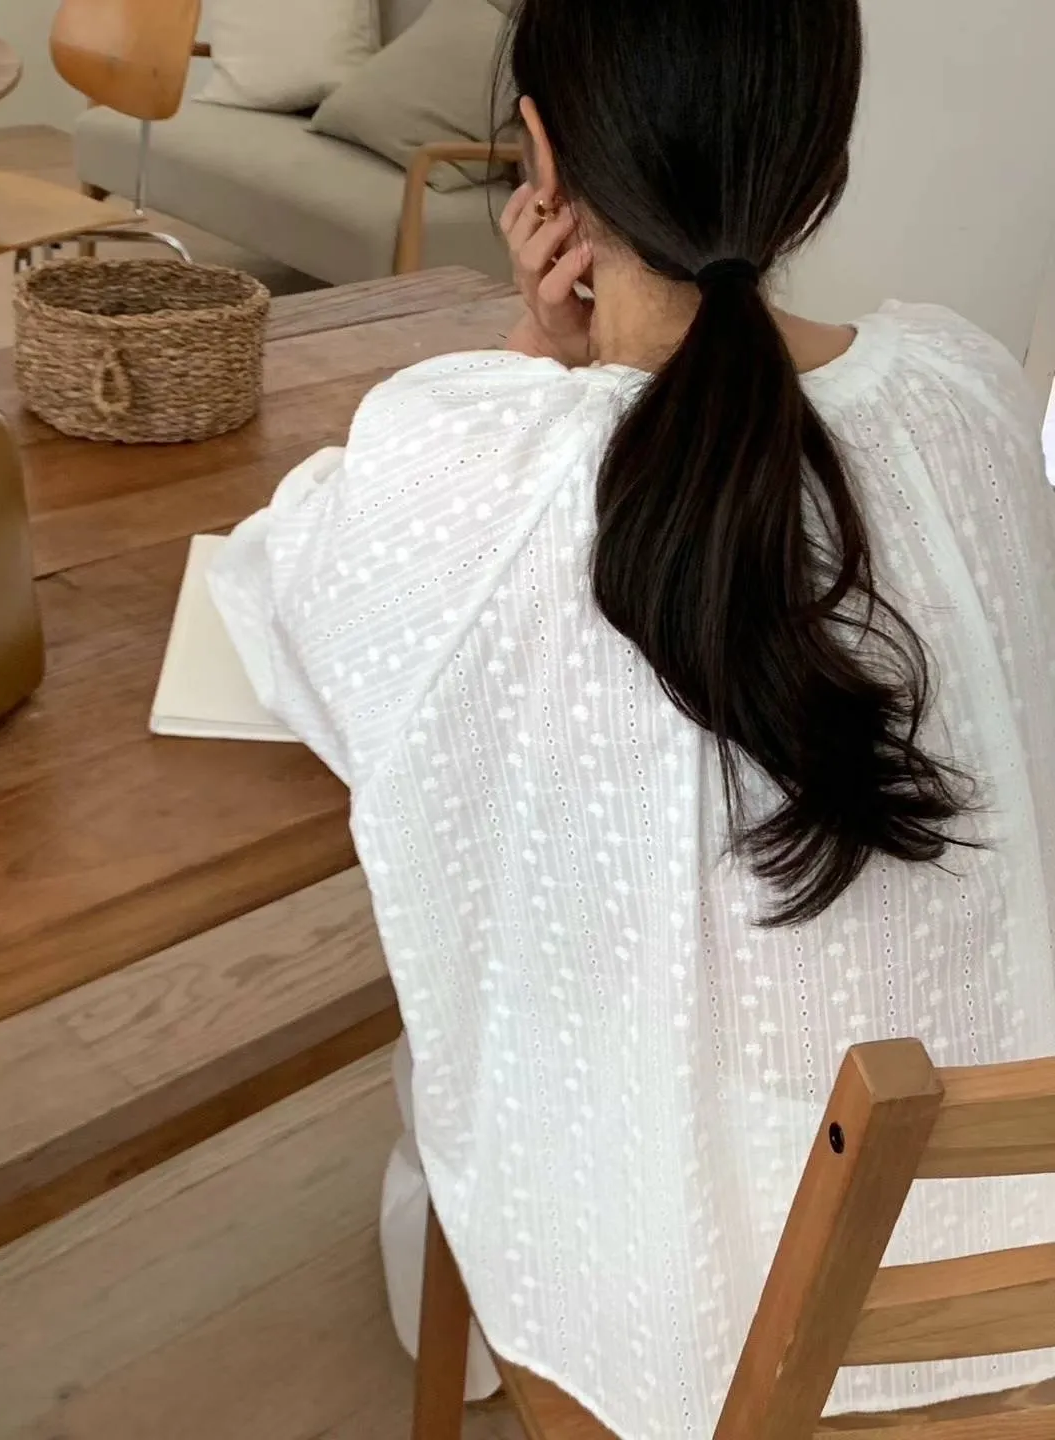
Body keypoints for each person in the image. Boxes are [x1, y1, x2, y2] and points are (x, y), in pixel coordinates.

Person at [208, 0, 1055, 1432]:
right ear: (821, 166)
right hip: (1017, 1279)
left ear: (544, 162)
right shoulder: (971, 394)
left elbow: (277, 601)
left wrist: (537, 360)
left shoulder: (491, 463)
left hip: (687, 1337)